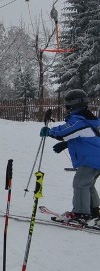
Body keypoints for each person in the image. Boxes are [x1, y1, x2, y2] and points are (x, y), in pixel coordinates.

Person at [43, 89, 100, 222]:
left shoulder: (79, 119)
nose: (66, 108)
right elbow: (86, 138)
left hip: (91, 159)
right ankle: (93, 211)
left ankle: (81, 214)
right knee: (88, 184)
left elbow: (66, 131)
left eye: (67, 105)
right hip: (95, 158)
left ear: (72, 105)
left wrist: (49, 131)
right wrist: (67, 144)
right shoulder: (89, 119)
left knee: (80, 184)